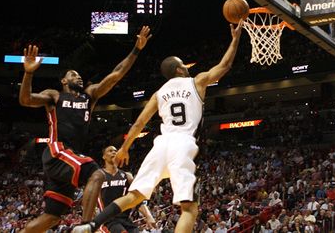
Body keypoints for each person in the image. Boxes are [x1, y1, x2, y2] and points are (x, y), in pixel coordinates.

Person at [72, 21, 243, 233]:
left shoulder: (159, 93)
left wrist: (125, 148)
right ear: (181, 69)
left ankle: (91, 225)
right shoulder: (197, 81)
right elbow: (224, 66)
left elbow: (139, 123)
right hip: (183, 144)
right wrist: (235, 39)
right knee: (189, 209)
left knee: (134, 196)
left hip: (161, 145)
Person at [18, 26, 152, 232]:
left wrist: (136, 49)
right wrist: (28, 74)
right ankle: (86, 227)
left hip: (71, 156)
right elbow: (25, 100)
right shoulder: (54, 96)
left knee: (52, 218)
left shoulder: (89, 95)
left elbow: (115, 75)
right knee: (97, 174)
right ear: (64, 81)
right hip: (57, 151)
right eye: (73, 75)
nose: (78, 77)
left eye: (79, 75)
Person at [99, 145, 156, 233]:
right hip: (108, 220)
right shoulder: (99, 176)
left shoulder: (127, 176)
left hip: (125, 219)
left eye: (115, 151)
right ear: (104, 157)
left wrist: (148, 216)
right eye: (110, 151)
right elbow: (93, 202)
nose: (114, 152)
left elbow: (137, 200)